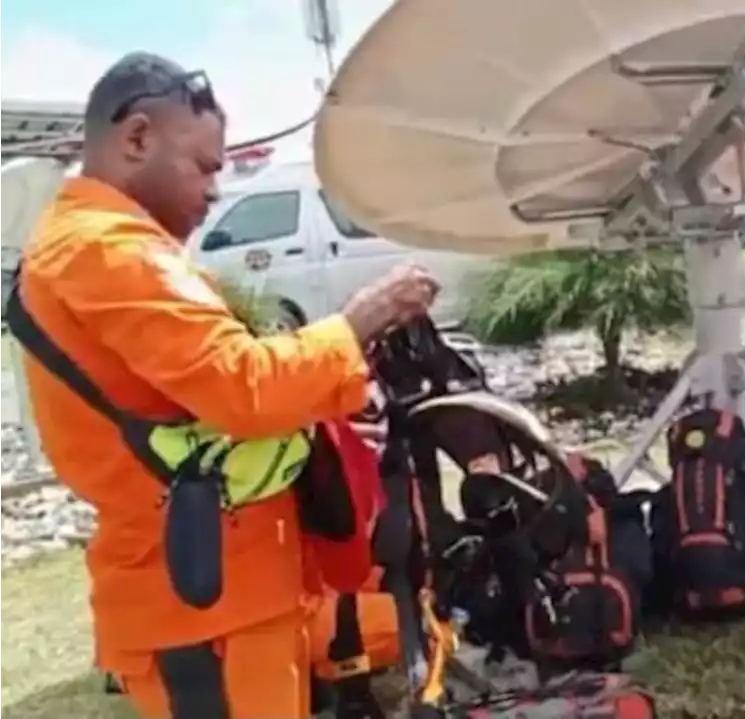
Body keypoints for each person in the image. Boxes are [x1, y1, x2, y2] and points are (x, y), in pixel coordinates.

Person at [18, 52, 434, 718]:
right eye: (206, 166)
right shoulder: (106, 250)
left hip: (225, 588)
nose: (216, 190)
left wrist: (319, 420)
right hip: (199, 610)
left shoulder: (105, 246)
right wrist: (359, 321)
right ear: (136, 139)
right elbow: (243, 386)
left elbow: (203, 393)